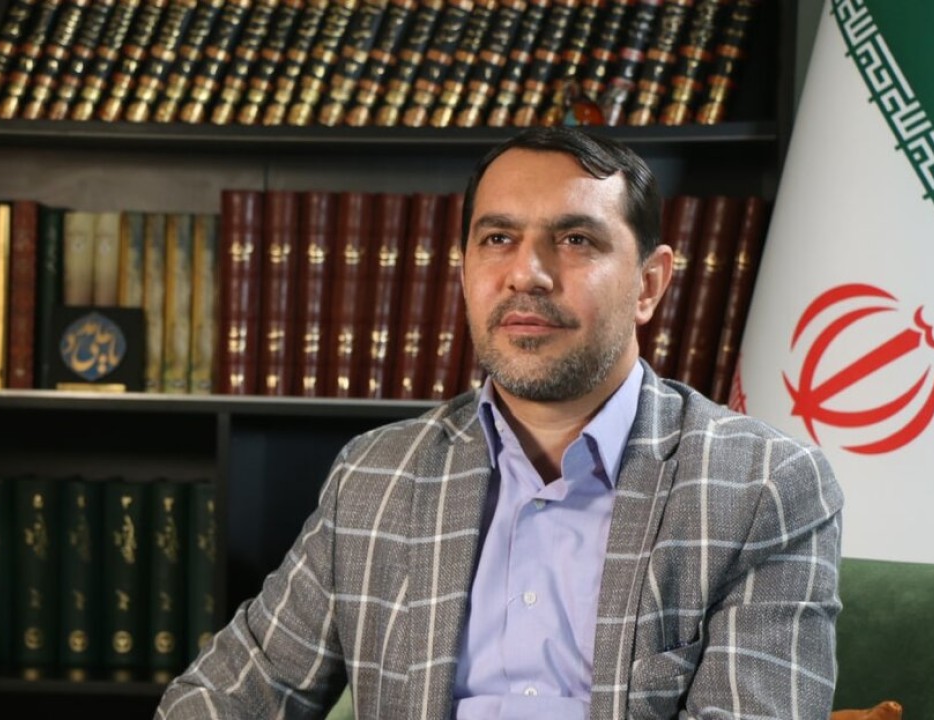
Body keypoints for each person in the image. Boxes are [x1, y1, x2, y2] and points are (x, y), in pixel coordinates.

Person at [156, 126, 843, 719]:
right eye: (498, 238)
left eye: (575, 239)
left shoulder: (761, 487)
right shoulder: (376, 476)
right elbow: (225, 697)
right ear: (464, 271)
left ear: (650, 284)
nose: (527, 274)